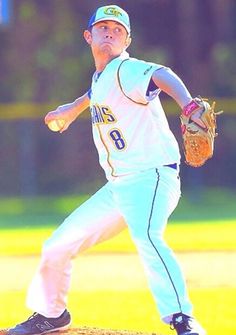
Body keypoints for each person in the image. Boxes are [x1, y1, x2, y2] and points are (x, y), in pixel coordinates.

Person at [7, 5, 206, 335]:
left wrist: (187, 104)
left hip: (152, 176)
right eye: (103, 28)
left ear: (128, 40)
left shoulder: (127, 69)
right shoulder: (103, 77)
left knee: (147, 236)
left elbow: (163, 74)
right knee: (57, 246)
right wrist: (74, 107)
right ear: (89, 36)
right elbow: (97, 91)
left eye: (118, 30)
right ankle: (51, 314)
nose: (110, 33)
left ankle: (182, 317)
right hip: (119, 187)